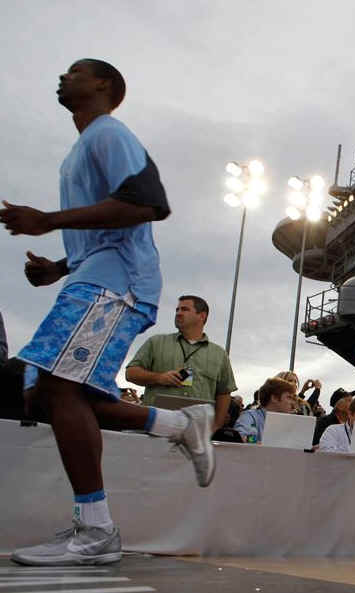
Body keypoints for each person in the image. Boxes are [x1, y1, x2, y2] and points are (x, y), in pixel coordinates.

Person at [0, 59, 214, 566]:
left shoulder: (108, 133)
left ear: (103, 85)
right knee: (44, 393)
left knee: (56, 387)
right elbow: (105, 231)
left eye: (76, 71)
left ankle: (96, 530)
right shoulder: (79, 151)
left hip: (118, 284)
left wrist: (48, 221)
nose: (63, 76)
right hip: (93, 277)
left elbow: (148, 203)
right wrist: (58, 266)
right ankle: (178, 425)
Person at [125, 295, 237, 431]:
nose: (178, 313)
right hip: (155, 428)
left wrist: (216, 426)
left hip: (195, 431)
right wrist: (159, 378)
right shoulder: (156, 342)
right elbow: (130, 373)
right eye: (177, 309)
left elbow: (224, 392)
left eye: (185, 309)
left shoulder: (219, 354)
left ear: (202, 316)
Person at [233, 377, 297, 443]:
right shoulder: (250, 416)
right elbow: (241, 437)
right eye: (289, 397)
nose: (293, 402)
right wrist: (259, 442)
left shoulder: (289, 421)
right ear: (274, 398)